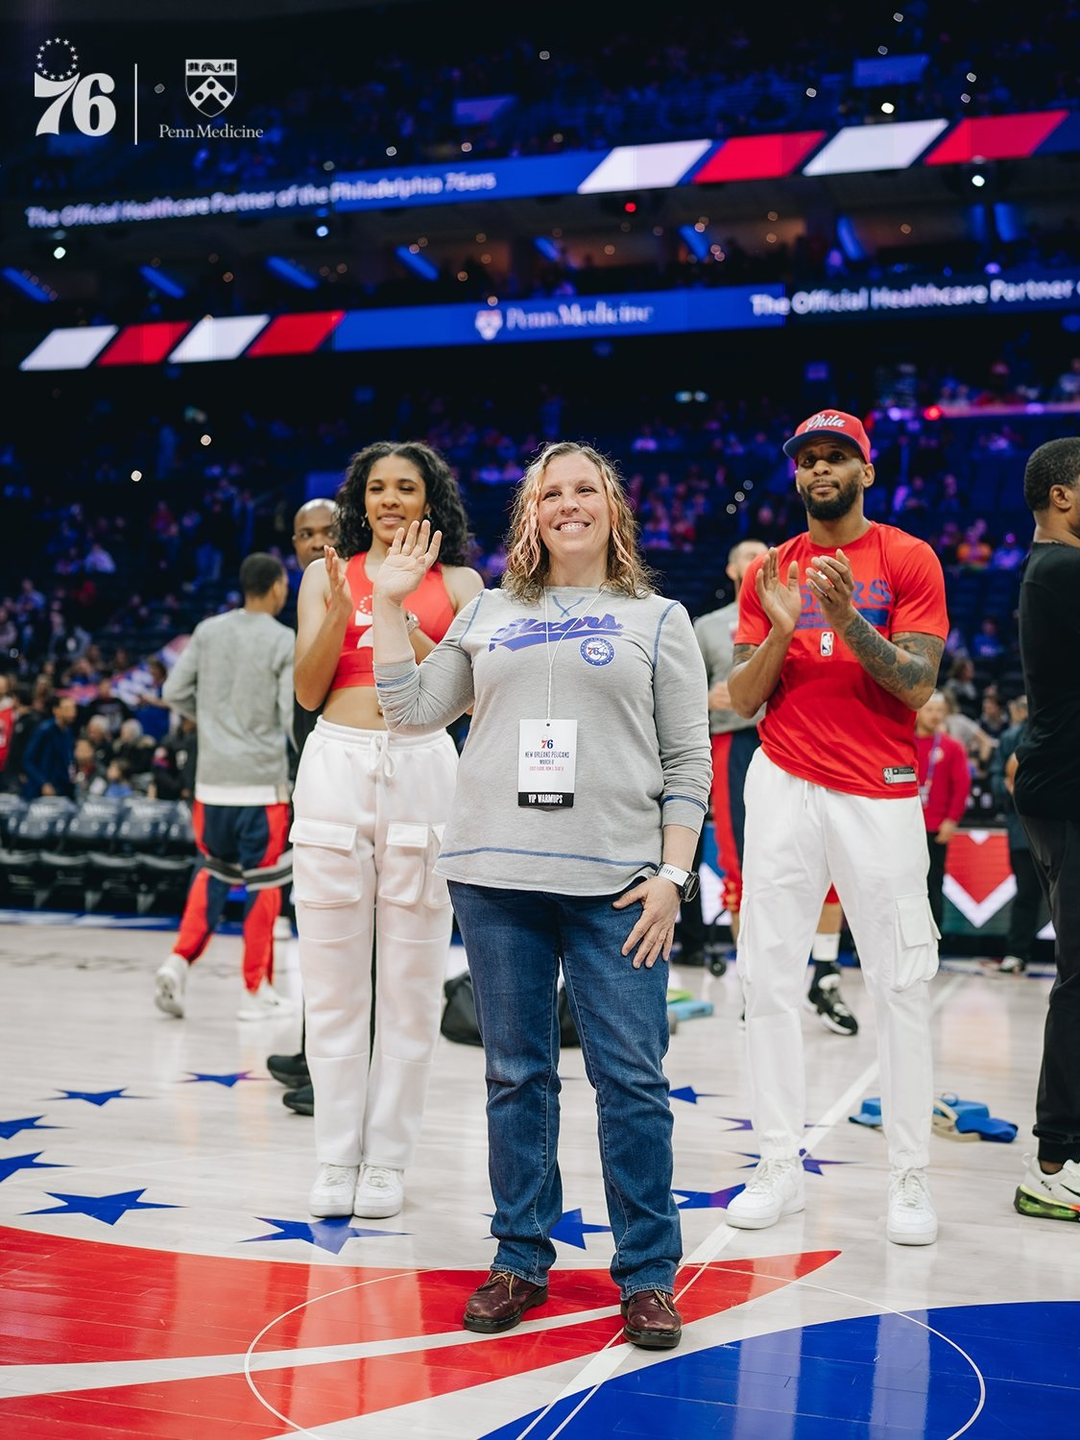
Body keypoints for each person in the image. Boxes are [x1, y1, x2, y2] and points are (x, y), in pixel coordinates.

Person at [373, 441, 711, 1350]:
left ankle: (645, 1273)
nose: (568, 503)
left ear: (612, 508)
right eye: (550, 492)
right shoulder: (484, 610)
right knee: (515, 1078)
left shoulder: (659, 616)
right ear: (531, 514)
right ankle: (520, 1256)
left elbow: (689, 764)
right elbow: (410, 710)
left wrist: (674, 876)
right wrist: (392, 603)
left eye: (584, 489)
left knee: (632, 1084)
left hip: (619, 889)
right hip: (494, 880)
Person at [726, 410, 947, 1246]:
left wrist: (849, 619)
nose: (821, 470)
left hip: (880, 790)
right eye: (808, 459)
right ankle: (777, 1164)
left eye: (837, 458)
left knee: (900, 983)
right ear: (795, 475)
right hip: (781, 781)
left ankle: (909, 1177)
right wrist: (783, 628)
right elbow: (744, 701)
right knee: (767, 980)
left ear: (867, 470)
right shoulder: (770, 571)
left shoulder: (907, 558)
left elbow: (917, 686)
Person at [291, 443, 482, 1222]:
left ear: (430, 497)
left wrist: (400, 608)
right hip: (335, 762)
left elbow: (467, 698)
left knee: (409, 986)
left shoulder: (465, 585)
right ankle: (337, 1156)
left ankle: (388, 1161)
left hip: (423, 766)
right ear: (359, 501)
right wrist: (342, 608)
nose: (392, 499)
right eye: (378, 488)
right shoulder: (322, 574)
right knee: (333, 984)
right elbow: (308, 693)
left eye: (407, 486)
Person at [693, 538, 859, 1035]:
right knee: (740, 865)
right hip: (736, 747)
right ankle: (753, 983)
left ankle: (825, 973)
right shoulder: (705, 627)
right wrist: (712, 698)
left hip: (801, 740)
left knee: (828, 856)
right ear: (729, 567)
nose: (754, 561)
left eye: (762, 554)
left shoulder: (809, 608)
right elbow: (677, 698)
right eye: (743, 555)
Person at [153, 553, 296, 1022]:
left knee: (210, 872)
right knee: (263, 884)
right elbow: (288, 717)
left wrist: (211, 718)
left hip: (210, 783)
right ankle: (255, 992)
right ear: (276, 587)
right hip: (260, 784)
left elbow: (172, 691)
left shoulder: (208, 631)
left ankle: (178, 961)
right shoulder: (282, 639)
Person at [1011, 437, 1080, 1221]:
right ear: (1062, 495)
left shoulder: (1052, 571)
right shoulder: (1062, 569)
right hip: (1067, 794)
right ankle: (1057, 1158)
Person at [265, 496, 338, 1115]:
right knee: (313, 925)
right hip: (309, 786)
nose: (315, 543)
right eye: (304, 534)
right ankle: (314, 1044)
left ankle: (330, 1070)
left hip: (354, 789)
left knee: (345, 933)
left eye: (327, 532)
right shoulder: (302, 613)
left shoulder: (361, 609)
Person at [989, 696, 1045, 975]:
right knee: (1026, 894)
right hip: (1022, 830)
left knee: (1065, 896)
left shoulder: (1060, 731)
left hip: (1056, 824)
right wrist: (1011, 790)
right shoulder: (1012, 737)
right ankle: (1016, 954)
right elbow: (996, 777)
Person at [914, 692, 971, 932]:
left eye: (939, 711)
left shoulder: (952, 747)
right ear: (917, 712)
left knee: (932, 884)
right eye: (929, 710)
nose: (935, 715)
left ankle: (932, 942)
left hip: (935, 828)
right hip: (904, 827)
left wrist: (951, 819)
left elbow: (962, 785)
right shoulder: (903, 740)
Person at [20, 693, 78, 799]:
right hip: (40, 791)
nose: (72, 713)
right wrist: (43, 783)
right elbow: (28, 760)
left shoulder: (68, 731)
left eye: (73, 708)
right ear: (56, 710)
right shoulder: (45, 730)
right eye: (67, 709)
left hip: (60, 788)